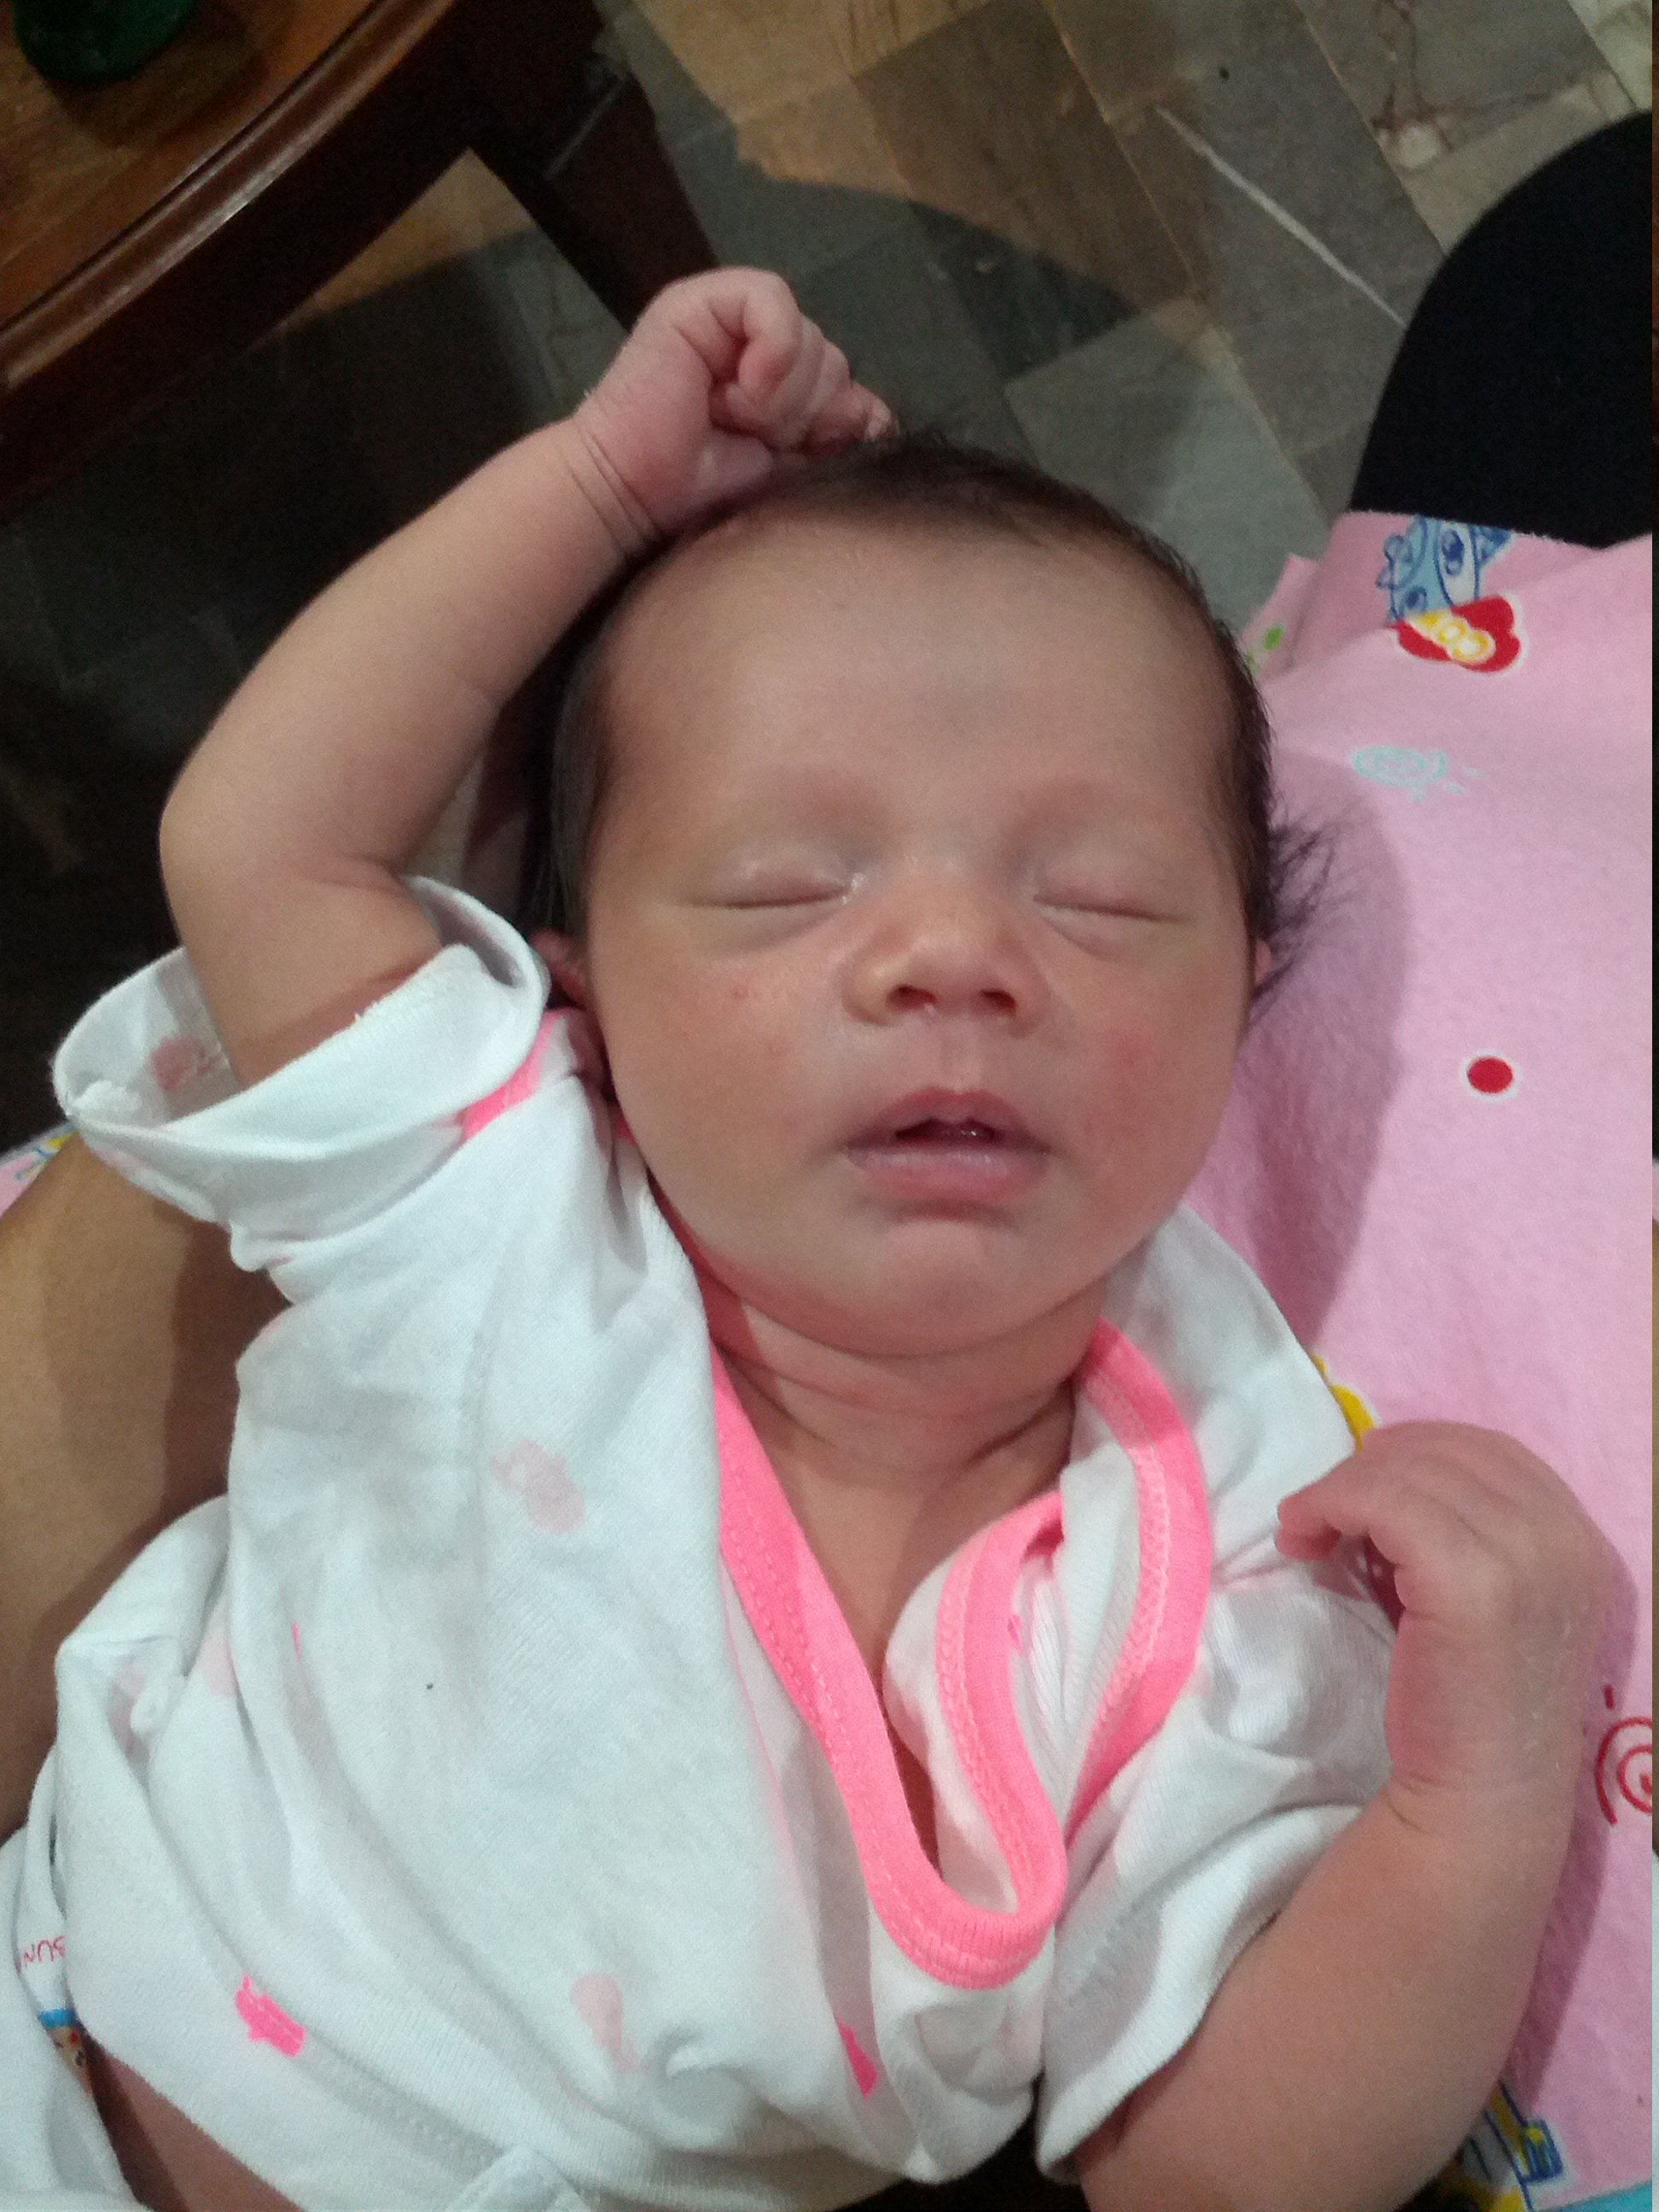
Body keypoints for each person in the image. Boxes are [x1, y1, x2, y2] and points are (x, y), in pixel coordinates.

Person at [0, 265, 1616, 2212]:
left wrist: (1480, 1794)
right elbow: (263, 846)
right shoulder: (483, 1199)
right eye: (784, 888)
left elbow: (1202, 2176)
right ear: (581, 993)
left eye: (1098, 898)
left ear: (1250, 987)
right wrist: (598, 486)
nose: (954, 956)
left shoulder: (1233, 1545)